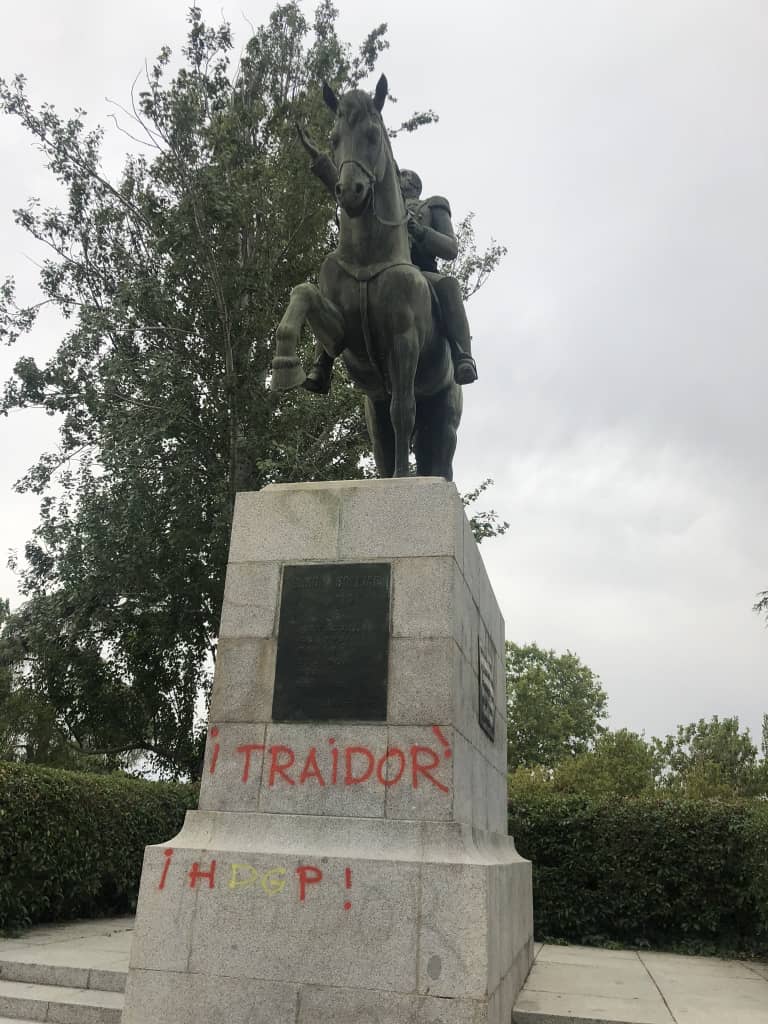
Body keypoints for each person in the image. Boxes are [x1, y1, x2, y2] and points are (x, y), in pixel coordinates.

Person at [296, 126, 477, 393]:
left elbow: (450, 248)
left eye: (405, 176)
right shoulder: (379, 205)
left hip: (420, 273)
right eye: (398, 175)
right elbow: (346, 194)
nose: (401, 178)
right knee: (336, 293)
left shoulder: (432, 206)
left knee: (449, 285)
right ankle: (323, 363)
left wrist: (420, 230)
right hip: (379, 270)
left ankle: (463, 356)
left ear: (416, 185)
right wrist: (320, 160)